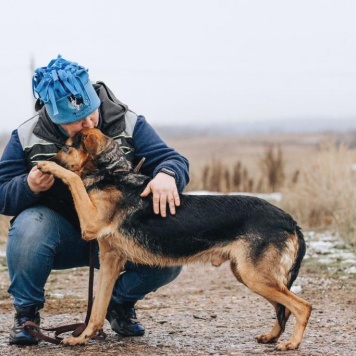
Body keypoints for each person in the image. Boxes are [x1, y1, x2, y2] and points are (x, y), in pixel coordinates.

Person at [0, 55, 189, 346]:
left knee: (170, 251)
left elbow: (172, 159)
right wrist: (28, 186)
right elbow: (3, 195)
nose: (89, 123)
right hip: (59, 236)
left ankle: (117, 304)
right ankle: (26, 315)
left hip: (119, 236)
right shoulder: (26, 135)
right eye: (77, 121)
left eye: (92, 113)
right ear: (54, 115)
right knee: (29, 226)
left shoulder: (128, 122)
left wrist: (167, 173)